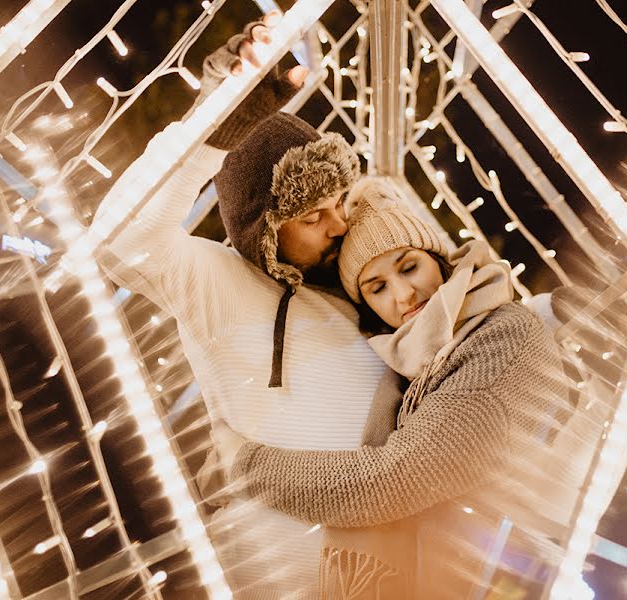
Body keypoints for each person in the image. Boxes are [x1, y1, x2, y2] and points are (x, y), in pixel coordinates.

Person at [92, 14, 399, 599]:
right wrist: (210, 132)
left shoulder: (355, 288)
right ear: (263, 228)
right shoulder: (217, 281)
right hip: (272, 568)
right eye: (312, 217)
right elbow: (121, 241)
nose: (339, 223)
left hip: (385, 567)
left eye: (338, 202)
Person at [201, 177, 578, 599]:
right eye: (377, 287)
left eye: (409, 266)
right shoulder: (414, 358)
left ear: (438, 258)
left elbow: (390, 481)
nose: (403, 294)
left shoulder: (497, 338)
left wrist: (246, 465)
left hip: (498, 580)